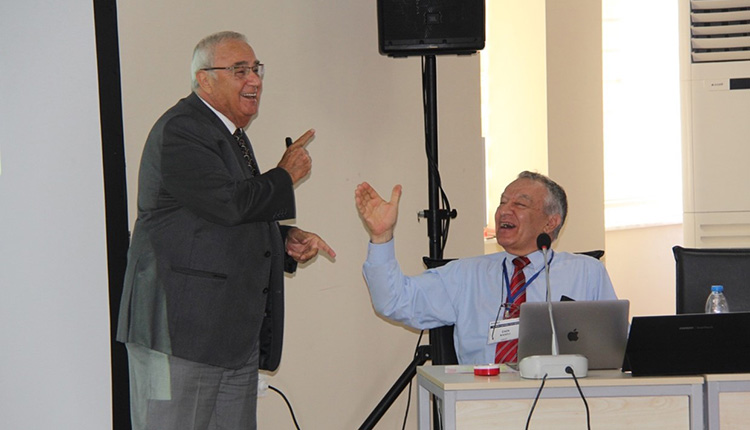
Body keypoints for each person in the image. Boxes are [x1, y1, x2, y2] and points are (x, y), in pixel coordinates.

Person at [116, 31, 335, 430]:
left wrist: (283, 239)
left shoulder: (229, 135)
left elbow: (216, 219)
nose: (254, 80)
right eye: (239, 70)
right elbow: (230, 204)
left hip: (229, 339)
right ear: (204, 80)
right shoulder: (182, 129)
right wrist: (284, 175)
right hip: (179, 335)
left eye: (256, 69)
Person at [355, 171, 616, 365]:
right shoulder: (466, 274)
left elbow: (615, 348)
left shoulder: (586, 273)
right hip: (483, 403)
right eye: (502, 202)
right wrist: (381, 237)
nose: (504, 211)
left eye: (519, 204)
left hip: (561, 403)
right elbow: (395, 301)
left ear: (550, 222)